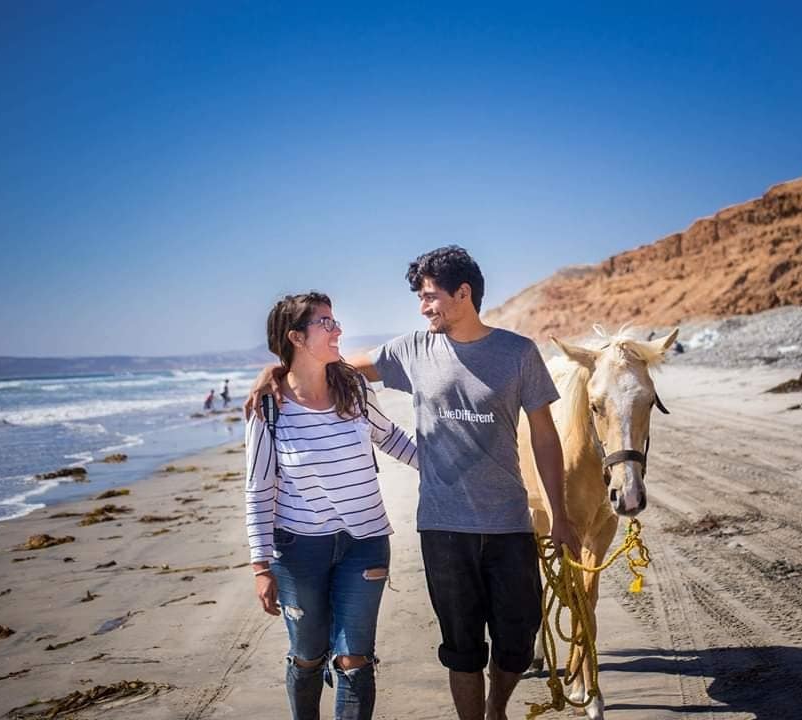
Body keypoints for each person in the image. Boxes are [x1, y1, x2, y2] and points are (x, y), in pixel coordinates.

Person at [248, 247, 577, 720]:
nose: (422, 308)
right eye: (420, 298)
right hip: (442, 526)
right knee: (460, 644)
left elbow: (545, 436)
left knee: (517, 640)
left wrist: (560, 514)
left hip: (509, 520)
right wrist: (275, 370)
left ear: (463, 294)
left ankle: (497, 706)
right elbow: (331, 367)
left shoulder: (518, 353)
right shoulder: (412, 349)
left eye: (429, 297)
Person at [245, 292, 418, 720]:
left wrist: (447, 470)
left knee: (354, 659)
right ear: (296, 337)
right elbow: (258, 488)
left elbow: (391, 437)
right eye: (325, 323)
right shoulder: (269, 407)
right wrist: (260, 566)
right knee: (307, 656)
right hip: (299, 551)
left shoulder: (352, 388)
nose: (337, 329)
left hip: (365, 543)